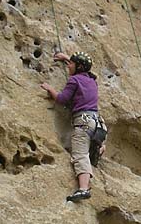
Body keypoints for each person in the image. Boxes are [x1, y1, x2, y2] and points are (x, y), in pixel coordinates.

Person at [40, 51, 104, 202]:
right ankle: (100, 147)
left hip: (83, 121)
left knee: (80, 154)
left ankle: (83, 189)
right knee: (89, 143)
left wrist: (50, 89)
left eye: (71, 64)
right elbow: (85, 70)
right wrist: (67, 58)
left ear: (78, 67)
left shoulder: (74, 80)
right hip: (97, 121)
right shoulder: (91, 80)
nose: (69, 66)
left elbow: (62, 99)